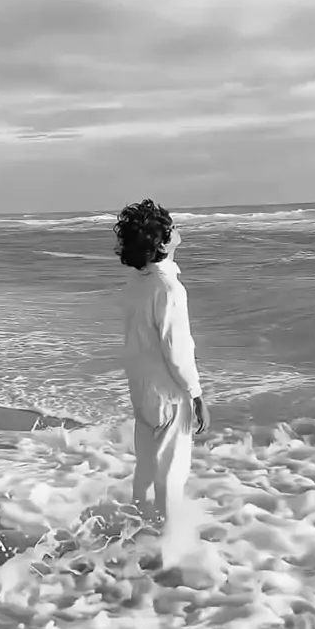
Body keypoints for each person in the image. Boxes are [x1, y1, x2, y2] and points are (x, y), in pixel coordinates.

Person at [114, 199, 210, 521]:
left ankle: (138, 529)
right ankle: (167, 541)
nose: (178, 230)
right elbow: (176, 349)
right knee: (171, 473)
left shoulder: (136, 284)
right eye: (173, 227)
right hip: (170, 394)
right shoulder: (169, 289)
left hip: (143, 391)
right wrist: (196, 395)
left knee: (146, 468)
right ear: (164, 243)